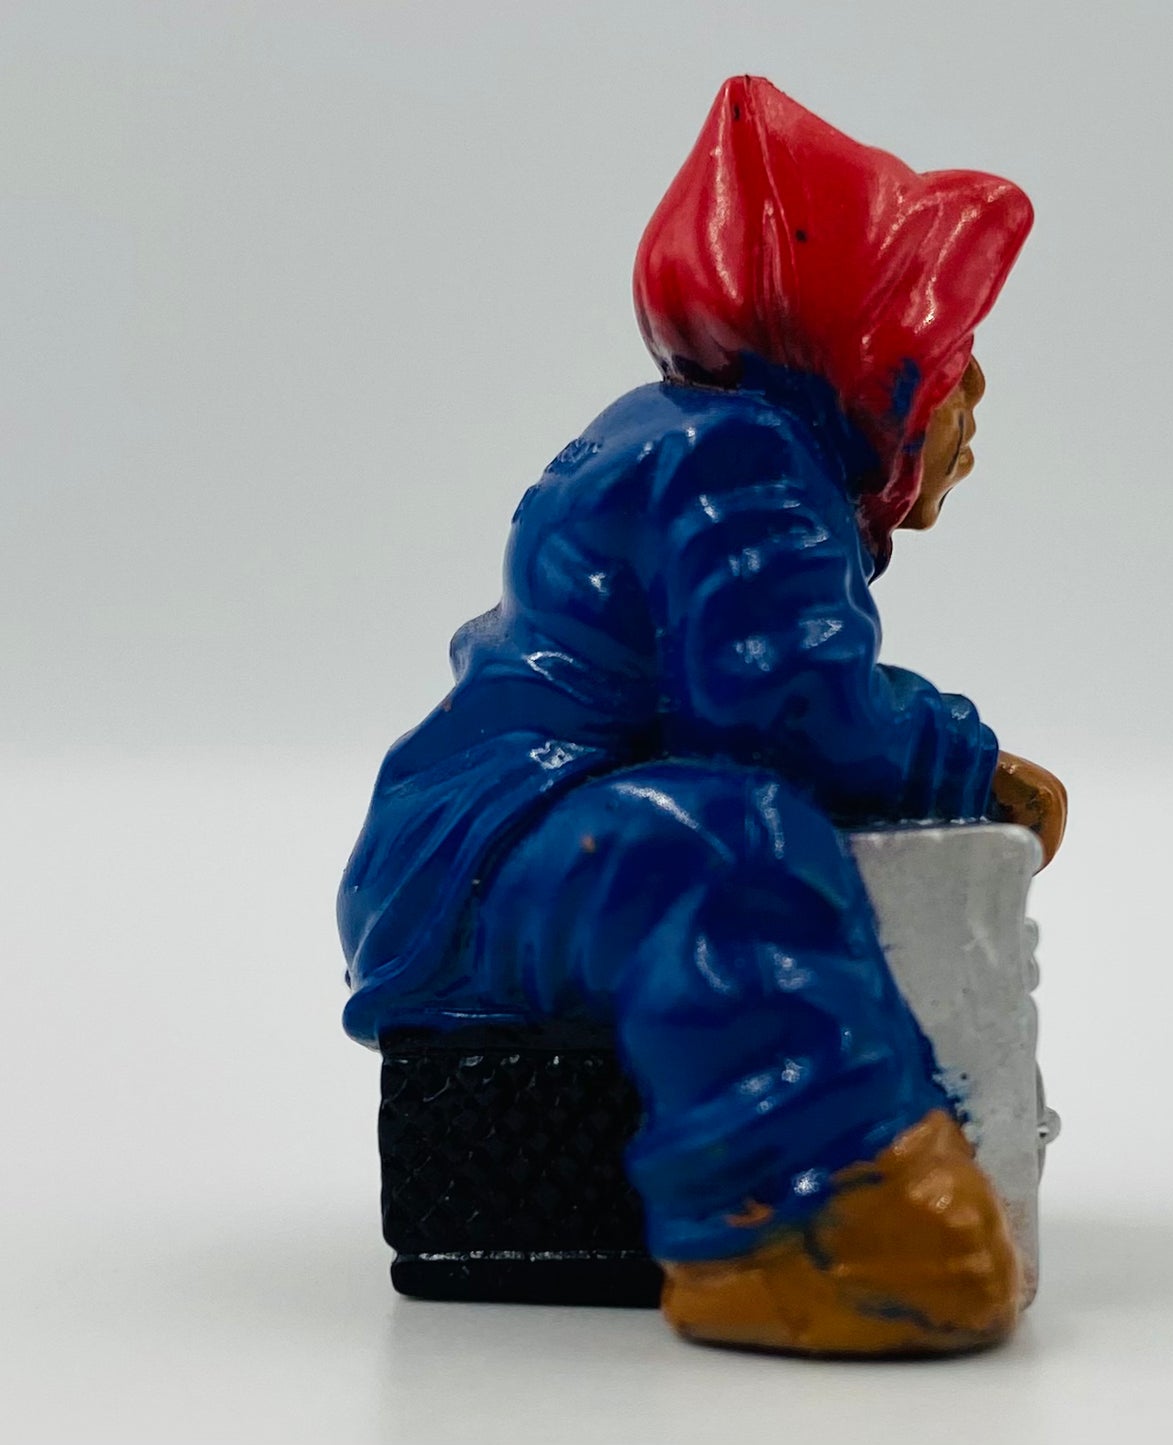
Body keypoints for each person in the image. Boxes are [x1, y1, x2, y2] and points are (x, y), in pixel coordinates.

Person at [339, 75, 1065, 1356]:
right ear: (873, 362)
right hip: (494, 855)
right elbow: (787, 707)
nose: (972, 408)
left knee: (728, 827)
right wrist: (963, 762)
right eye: (954, 366)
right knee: (722, 843)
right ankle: (805, 1225)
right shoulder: (738, 459)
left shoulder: (715, 445)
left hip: (486, 839)